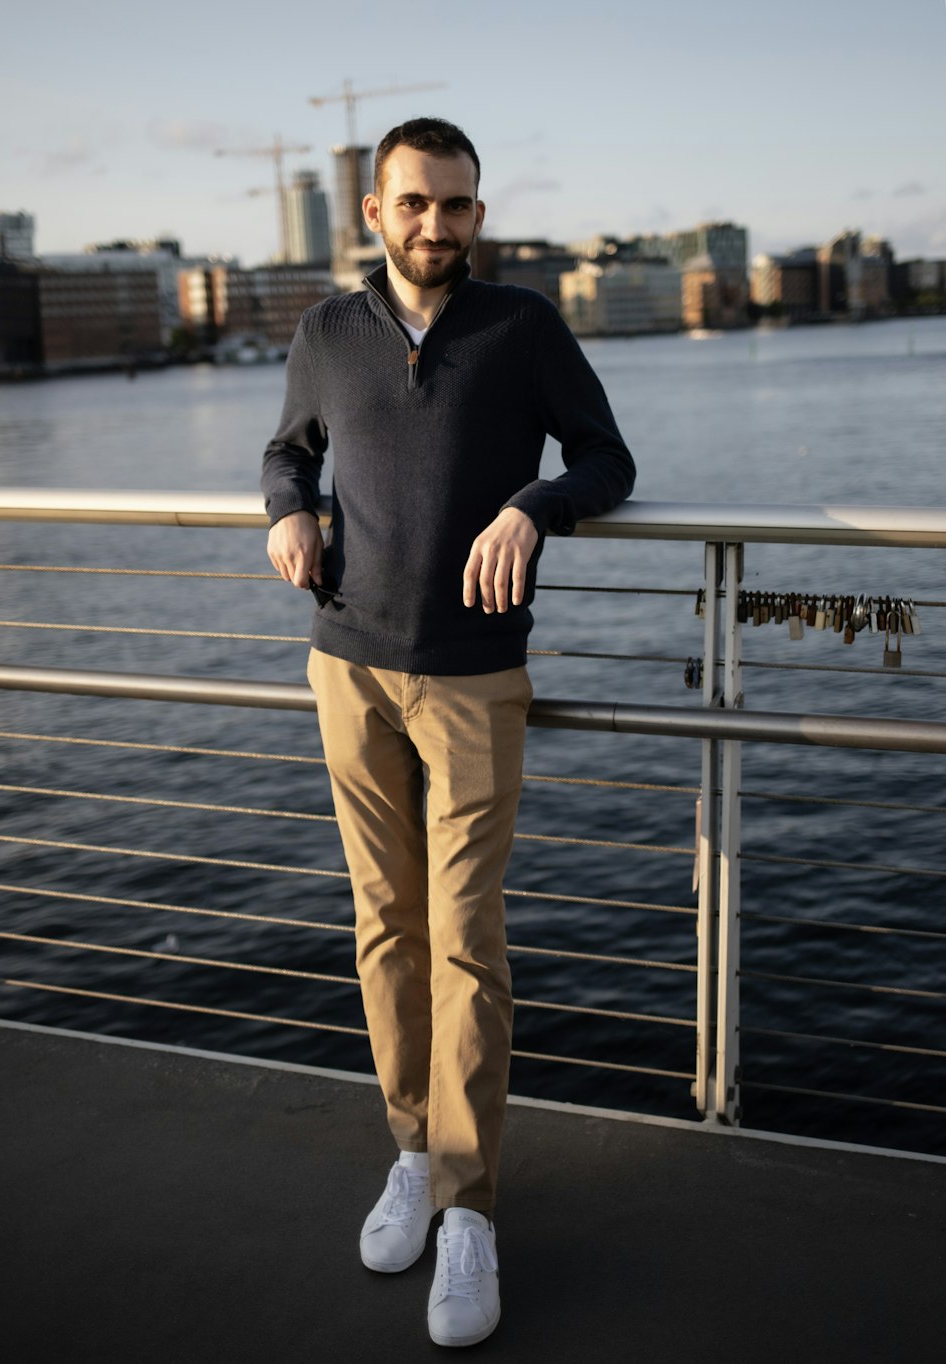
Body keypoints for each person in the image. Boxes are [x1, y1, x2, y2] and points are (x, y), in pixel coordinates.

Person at [261, 116, 635, 1348]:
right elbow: (287, 448)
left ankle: (469, 1208)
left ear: (479, 212)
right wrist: (288, 511)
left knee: (465, 940)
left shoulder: (522, 326)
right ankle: (412, 1150)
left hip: (474, 675)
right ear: (374, 212)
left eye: (458, 205)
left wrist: (535, 503)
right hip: (347, 666)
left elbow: (606, 455)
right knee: (384, 929)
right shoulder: (327, 332)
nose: (438, 225)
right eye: (416, 204)